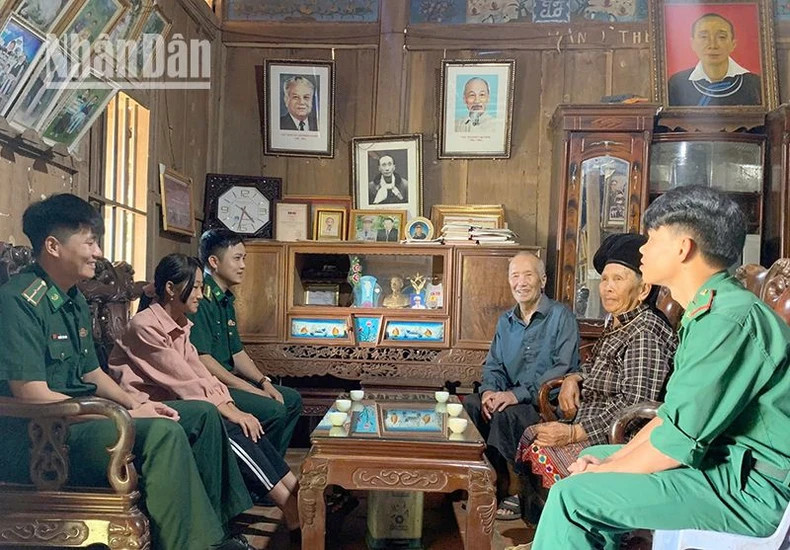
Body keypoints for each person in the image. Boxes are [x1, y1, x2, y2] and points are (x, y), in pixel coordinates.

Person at [531, 186, 790, 549]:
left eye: (652, 238)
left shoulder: (728, 320)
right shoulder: (709, 312)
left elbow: (675, 443)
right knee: (598, 455)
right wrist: (612, 460)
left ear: (683, 248)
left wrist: (607, 470)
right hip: (721, 466)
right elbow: (671, 416)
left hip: (750, 489)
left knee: (572, 497)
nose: (642, 249)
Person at [0, 194, 254, 550]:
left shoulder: (71, 297)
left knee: (199, 414)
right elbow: (32, 395)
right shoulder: (18, 301)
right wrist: (127, 412)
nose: (97, 252)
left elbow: (93, 375)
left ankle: (211, 529)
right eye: (89, 242)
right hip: (44, 438)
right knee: (164, 434)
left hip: (81, 419)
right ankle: (193, 545)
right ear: (53, 246)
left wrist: (137, 401)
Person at [108, 254, 300, 537]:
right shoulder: (146, 325)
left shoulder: (181, 323)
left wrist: (231, 404)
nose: (201, 294)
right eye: (195, 287)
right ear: (171, 289)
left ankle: (296, 494)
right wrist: (230, 411)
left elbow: (200, 375)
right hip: (146, 406)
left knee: (242, 423)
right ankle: (290, 506)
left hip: (174, 398)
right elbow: (183, 381)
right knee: (228, 424)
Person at [515, 233, 677, 522]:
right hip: (591, 420)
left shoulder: (644, 332)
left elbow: (635, 405)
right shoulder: (620, 322)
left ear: (643, 290)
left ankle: (565, 526)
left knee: (539, 445)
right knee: (530, 437)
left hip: (620, 437)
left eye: (618, 279)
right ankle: (542, 529)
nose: (607, 288)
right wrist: (572, 378)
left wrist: (575, 433)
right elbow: (599, 368)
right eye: (604, 279)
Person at [463, 251, 579, 520]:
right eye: (515, 276)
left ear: (543, 280)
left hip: (546, 402)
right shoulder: (506, 321)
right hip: (509, 397)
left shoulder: (561, 317)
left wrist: (515, 395)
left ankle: (516, 488)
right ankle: (491, 479)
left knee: (507, 414)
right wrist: (490, 391)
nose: (521, 282)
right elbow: (494, 365)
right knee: (470, 405)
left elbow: (561, 368)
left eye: (528, 275)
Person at [189, 229, 302, 458]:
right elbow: (202, 359)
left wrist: (264, 383)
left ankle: (272, 470)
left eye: (244, 259)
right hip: (211, 385)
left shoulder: (226, 298)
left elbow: (237, 352)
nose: (243, 266)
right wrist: (249, 389)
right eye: (237, 258)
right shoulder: (200, 298)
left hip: (230, 380)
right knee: (274, 410)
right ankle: (255, 475)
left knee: (291, 400)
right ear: (214, 261)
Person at [667, 13, 761, 106]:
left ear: (733, 44)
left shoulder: (755, 84)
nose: (713, 45)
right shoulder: (677, 83)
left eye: (721, 37)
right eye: (704, 37)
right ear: (693, 44)